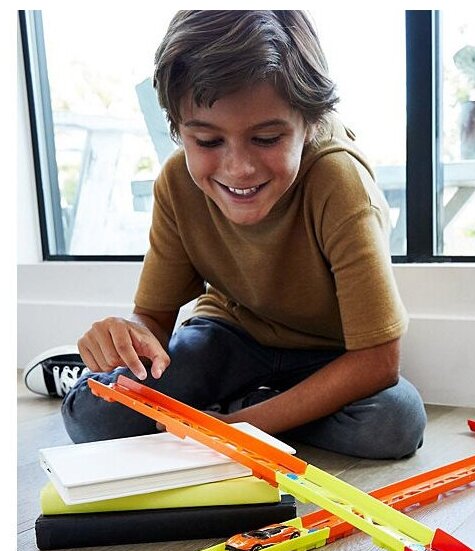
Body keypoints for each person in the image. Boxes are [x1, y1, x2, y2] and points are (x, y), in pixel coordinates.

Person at [25, 10, 426, 459]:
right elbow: (153, 318)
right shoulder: (178, 182)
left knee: (394, 423)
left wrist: (238, 428)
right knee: (94, 416)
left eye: (267, 138)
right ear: (179, 130)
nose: (238, 169)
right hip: (228, 336)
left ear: (310, 123)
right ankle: (252, 405)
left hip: (327, 355)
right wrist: (129, 336)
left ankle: (243, 407)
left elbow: (377, 360)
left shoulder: (340, 182)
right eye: (208, 142)